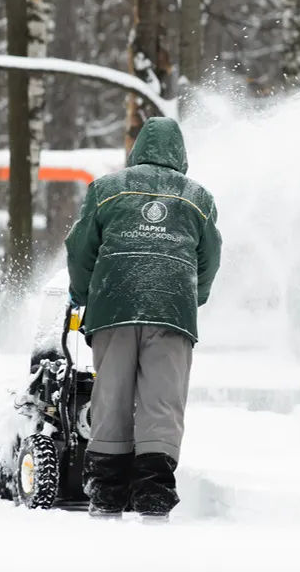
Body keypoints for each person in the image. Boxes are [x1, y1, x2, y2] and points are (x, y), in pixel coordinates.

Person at [64, 116, 223, 521]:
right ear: (181, 154)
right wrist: (192, 298)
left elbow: (81, 249)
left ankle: (106, 494)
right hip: (172, 313)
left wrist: (83, 295)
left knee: (111, 396)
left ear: (137, 150)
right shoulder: (198, 197)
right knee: (162, 401)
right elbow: (209, 258)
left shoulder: (106, 189)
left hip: (113, 308)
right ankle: (154, 495)